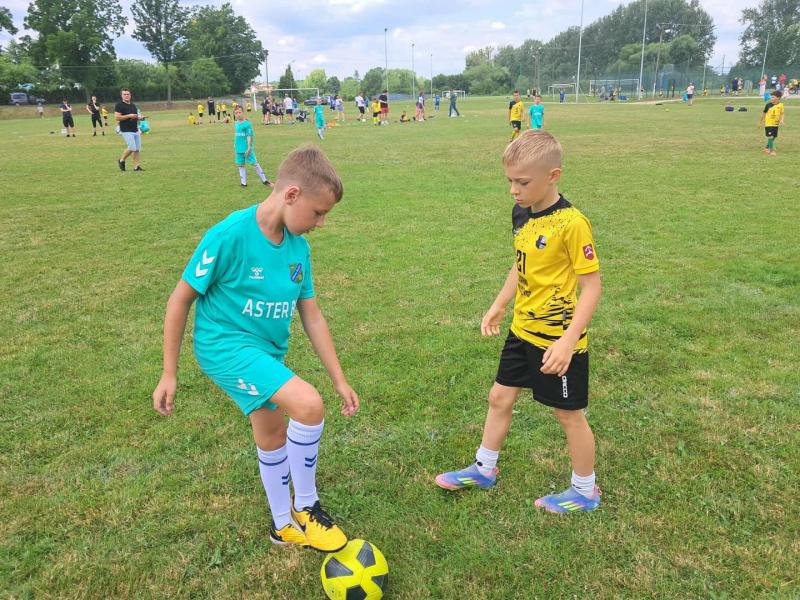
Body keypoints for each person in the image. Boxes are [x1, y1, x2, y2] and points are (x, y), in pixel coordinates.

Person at [151, 144, 358, 551]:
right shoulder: (229, 235)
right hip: (224, 347)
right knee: (308, 405)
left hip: (267, 351)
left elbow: (312, 316)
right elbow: (179, 300)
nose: (321, 223)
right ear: (292, 194)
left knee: (273, 431)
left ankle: (282, 525)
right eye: (318, 213)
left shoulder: (299, 248)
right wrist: (169, 372)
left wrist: (339, 378)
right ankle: (307, 506)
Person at [435, 129, 603, 514]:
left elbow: (592, 287)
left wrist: (568, 341)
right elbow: (521, 262)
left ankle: (585, 491)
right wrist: (499, 305)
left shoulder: (572, 224)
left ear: (553, 176)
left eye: (523, 182)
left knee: (568, 414)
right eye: (510, 181)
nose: (514, 190)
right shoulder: (522, 213)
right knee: (499, 397)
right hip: (522, 329)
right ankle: (484, 469)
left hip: (557, 340)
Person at [233, 105, 272, 187]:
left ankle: (265, 180)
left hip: (246, 148)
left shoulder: (247, 124)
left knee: (254, 163)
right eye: (236, 113)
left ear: (243, 112)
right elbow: (237, 135)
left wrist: (249, 147)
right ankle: (243, 183)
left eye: (240, 112)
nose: (238, 114)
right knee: (240, 165)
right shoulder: (236, 123)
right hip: (238, 148)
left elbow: (249, 136)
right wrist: (235, 144)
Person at [115, 88, 145, 172]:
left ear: (130, 95)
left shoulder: (133, 105)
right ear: (121, 96)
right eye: (124, 94)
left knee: (137, 149)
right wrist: (129, 116)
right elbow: (117, 117)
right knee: (132, 147)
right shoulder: (119, 105)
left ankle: (136, 167)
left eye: (127, 94)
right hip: (126, 130)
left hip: (135, 129)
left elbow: (134, 117)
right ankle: (121, 160)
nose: (126, 96)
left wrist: (140, 118)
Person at [760, 89, 785, 156]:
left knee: (774, 137)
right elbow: (764, 113)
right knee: (770, 136)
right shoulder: (768, 105)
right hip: (768, 123)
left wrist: (782, 120)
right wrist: (760, 121)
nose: (772, 98)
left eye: (773, 97)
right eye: (771, 97)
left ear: (778, 98)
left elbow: (782, 114)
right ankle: (771, 151)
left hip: (776, 124)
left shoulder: (781, 105)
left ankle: (766, 148)